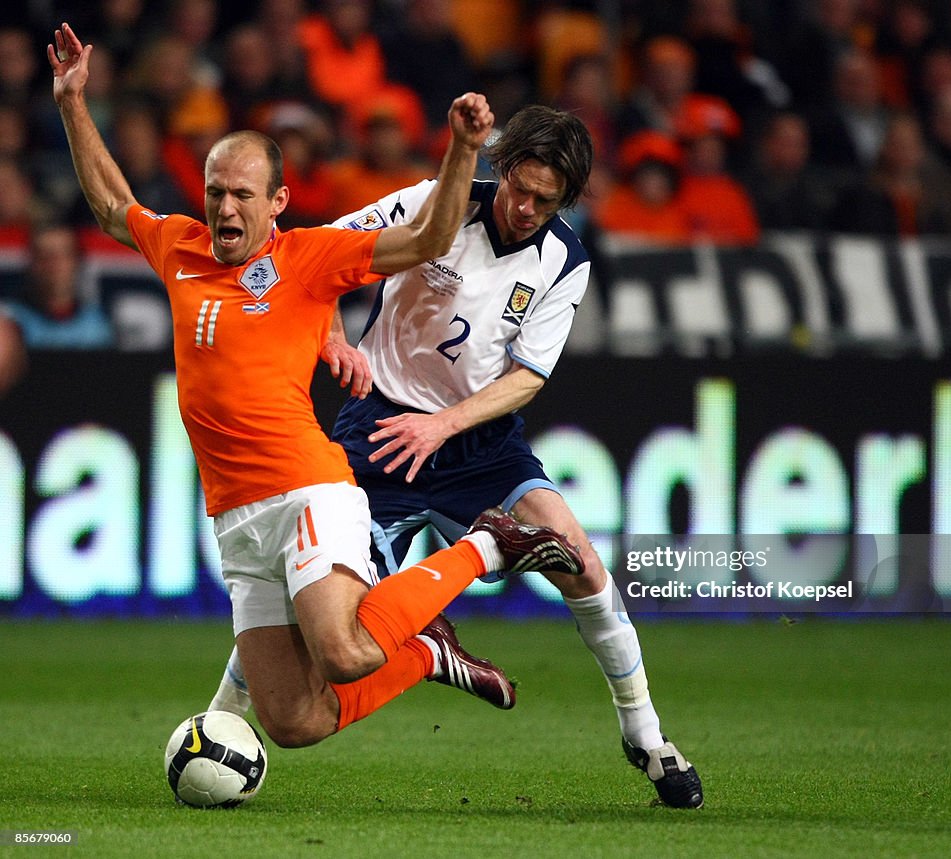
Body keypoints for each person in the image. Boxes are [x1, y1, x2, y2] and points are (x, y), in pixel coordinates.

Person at [49, 21, 583, 751]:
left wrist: (462, 149)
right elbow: (112, 205)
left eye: (242, 194)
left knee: (346, 650)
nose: (225, 208)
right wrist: (73, 102)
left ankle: (485, 546)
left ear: (278, 201)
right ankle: (430, 653)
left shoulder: (308, 257)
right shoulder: (179, 245)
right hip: (235, 518)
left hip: (307, 488)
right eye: (215, 192)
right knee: (297, 721)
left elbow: (427, 240)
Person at [214, 104, 705, 809]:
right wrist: (332, 340)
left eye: (546, 198)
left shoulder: (567, 259)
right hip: (380, 433)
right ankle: (224, 717)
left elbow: (528, 376)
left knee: (580, 559)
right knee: (309, 601)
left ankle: (647, 736)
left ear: (566, 198)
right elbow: (310, 258)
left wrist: (442, 425)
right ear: (500, 170)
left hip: (478, 444)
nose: (528, 207)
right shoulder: (430, 204)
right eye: (519, 188)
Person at [2, 222, 114, 349]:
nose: (55, 265)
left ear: (78, 261)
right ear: (31, 262)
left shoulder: (98, 325)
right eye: (45, 256)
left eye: (63, 255)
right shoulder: (9, 321)